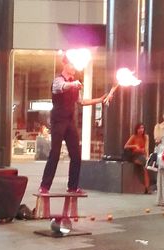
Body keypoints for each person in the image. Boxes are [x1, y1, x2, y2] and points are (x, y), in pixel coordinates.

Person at [38, 55, 117, 194]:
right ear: (65, 65)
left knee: (76, 155)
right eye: (72, 65)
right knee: (54, 154)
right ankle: (44, 186)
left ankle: (72, 187)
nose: (74, 68)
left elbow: (81, 102)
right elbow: (62, 87)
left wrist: (100, 99)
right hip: (58, 121)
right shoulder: (58, 80)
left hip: (69, 122)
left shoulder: (75, 83)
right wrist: (74, 84)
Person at [124, 123, 150, 194]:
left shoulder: (146, 136)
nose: (141, 130)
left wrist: (147, 156)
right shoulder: (133, 136)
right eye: (139, 128)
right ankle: (147, 187)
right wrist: (134, 146)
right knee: (144, 166)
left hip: (142, 155)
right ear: (136, 129)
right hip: (135, 155)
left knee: (145, 167)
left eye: (142, 128)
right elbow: (126, 146)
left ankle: (147, 187)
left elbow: (146, 147)